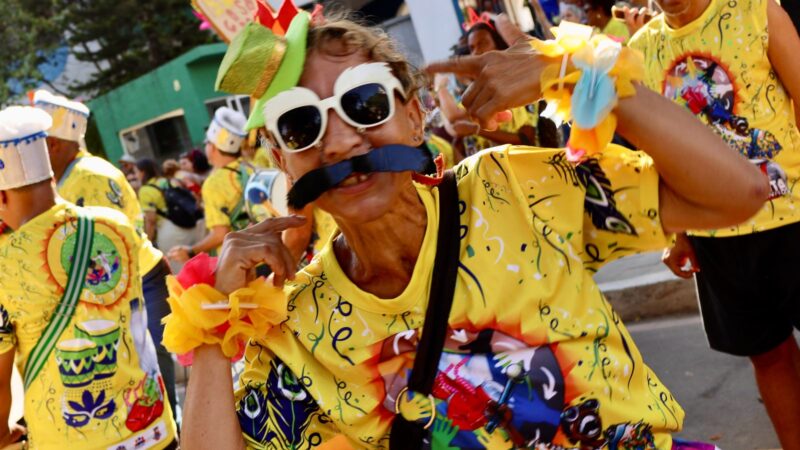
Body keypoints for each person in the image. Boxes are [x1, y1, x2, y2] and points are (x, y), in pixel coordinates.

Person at [178, 9, 767, 449]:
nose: (339, 141)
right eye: (301, 123)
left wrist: (582, 74)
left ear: (414, 115)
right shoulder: (301, 326)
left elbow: (738, 193)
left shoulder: (510, 191)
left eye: (363, 103)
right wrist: (209, 330)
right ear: (283, 161)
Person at [628, 0, 800, 446]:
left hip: (794, 215)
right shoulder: (639, 51)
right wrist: (678, 234)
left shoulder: (757, 12)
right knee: (768, 356)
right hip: (715, 238)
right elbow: (656, 154)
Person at [0, 106, 177, 450]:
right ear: (51, 177)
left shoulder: (4, 261)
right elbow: (157, 271)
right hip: (153, 431)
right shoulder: (116, 225)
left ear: (2, 196)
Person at [167, 107, 252, 264]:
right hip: (269, 252)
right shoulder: (250, 168)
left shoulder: (213, 184)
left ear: (212, 147)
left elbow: (221, 233)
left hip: (242, 264)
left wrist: (191, 250)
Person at [135, 159, 204, 270]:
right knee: (201, 265)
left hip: (170, 233)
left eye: (136, 172)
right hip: (191, 226)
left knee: (181, 272)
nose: (136, 175)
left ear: (142, 172)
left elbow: (151, 220)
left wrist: (148, 241)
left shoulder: (145, 190)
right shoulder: (169, 181)